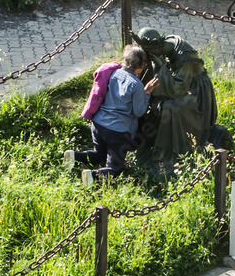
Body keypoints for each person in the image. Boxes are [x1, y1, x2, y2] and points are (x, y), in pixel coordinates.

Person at [64, 45, 159, 184]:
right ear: (141, 66)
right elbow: (139, 111)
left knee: (99, 154)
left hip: (98, 124)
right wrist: (146, 93)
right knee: (115, 169)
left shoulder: (113, 74)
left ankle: (74, 156)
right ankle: (92, 176)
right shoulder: (136, 85)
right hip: (117, 132)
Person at [131, 27, 220, 173]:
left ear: (158, 48)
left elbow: (177, 89)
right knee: (157, 104)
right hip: (180, 86)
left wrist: (160, 66)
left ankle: (166, 153)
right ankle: (151, 146)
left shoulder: (184, 56)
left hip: (196, 94)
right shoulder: (166, 47)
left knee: (168, 108)